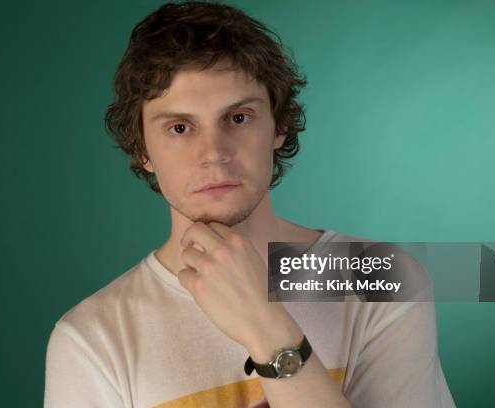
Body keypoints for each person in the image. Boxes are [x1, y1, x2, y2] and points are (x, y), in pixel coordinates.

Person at [44, 2, 455, 407]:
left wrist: (267, 328)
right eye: (180, 127)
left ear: (279, 125)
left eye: (238, 118)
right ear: (142, 150)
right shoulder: (91, 337)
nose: (214, 153)